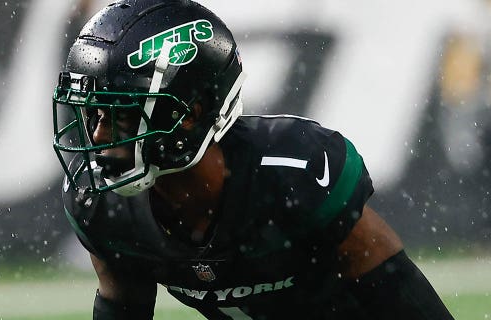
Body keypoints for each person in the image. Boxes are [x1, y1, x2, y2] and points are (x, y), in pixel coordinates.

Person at [51, 0, 454, 318]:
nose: (100, 135)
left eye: (121, 114)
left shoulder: (292, 175)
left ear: (190, 114)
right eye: (94, 113)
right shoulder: (104, 205)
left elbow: (394, 288)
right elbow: (124, 306)